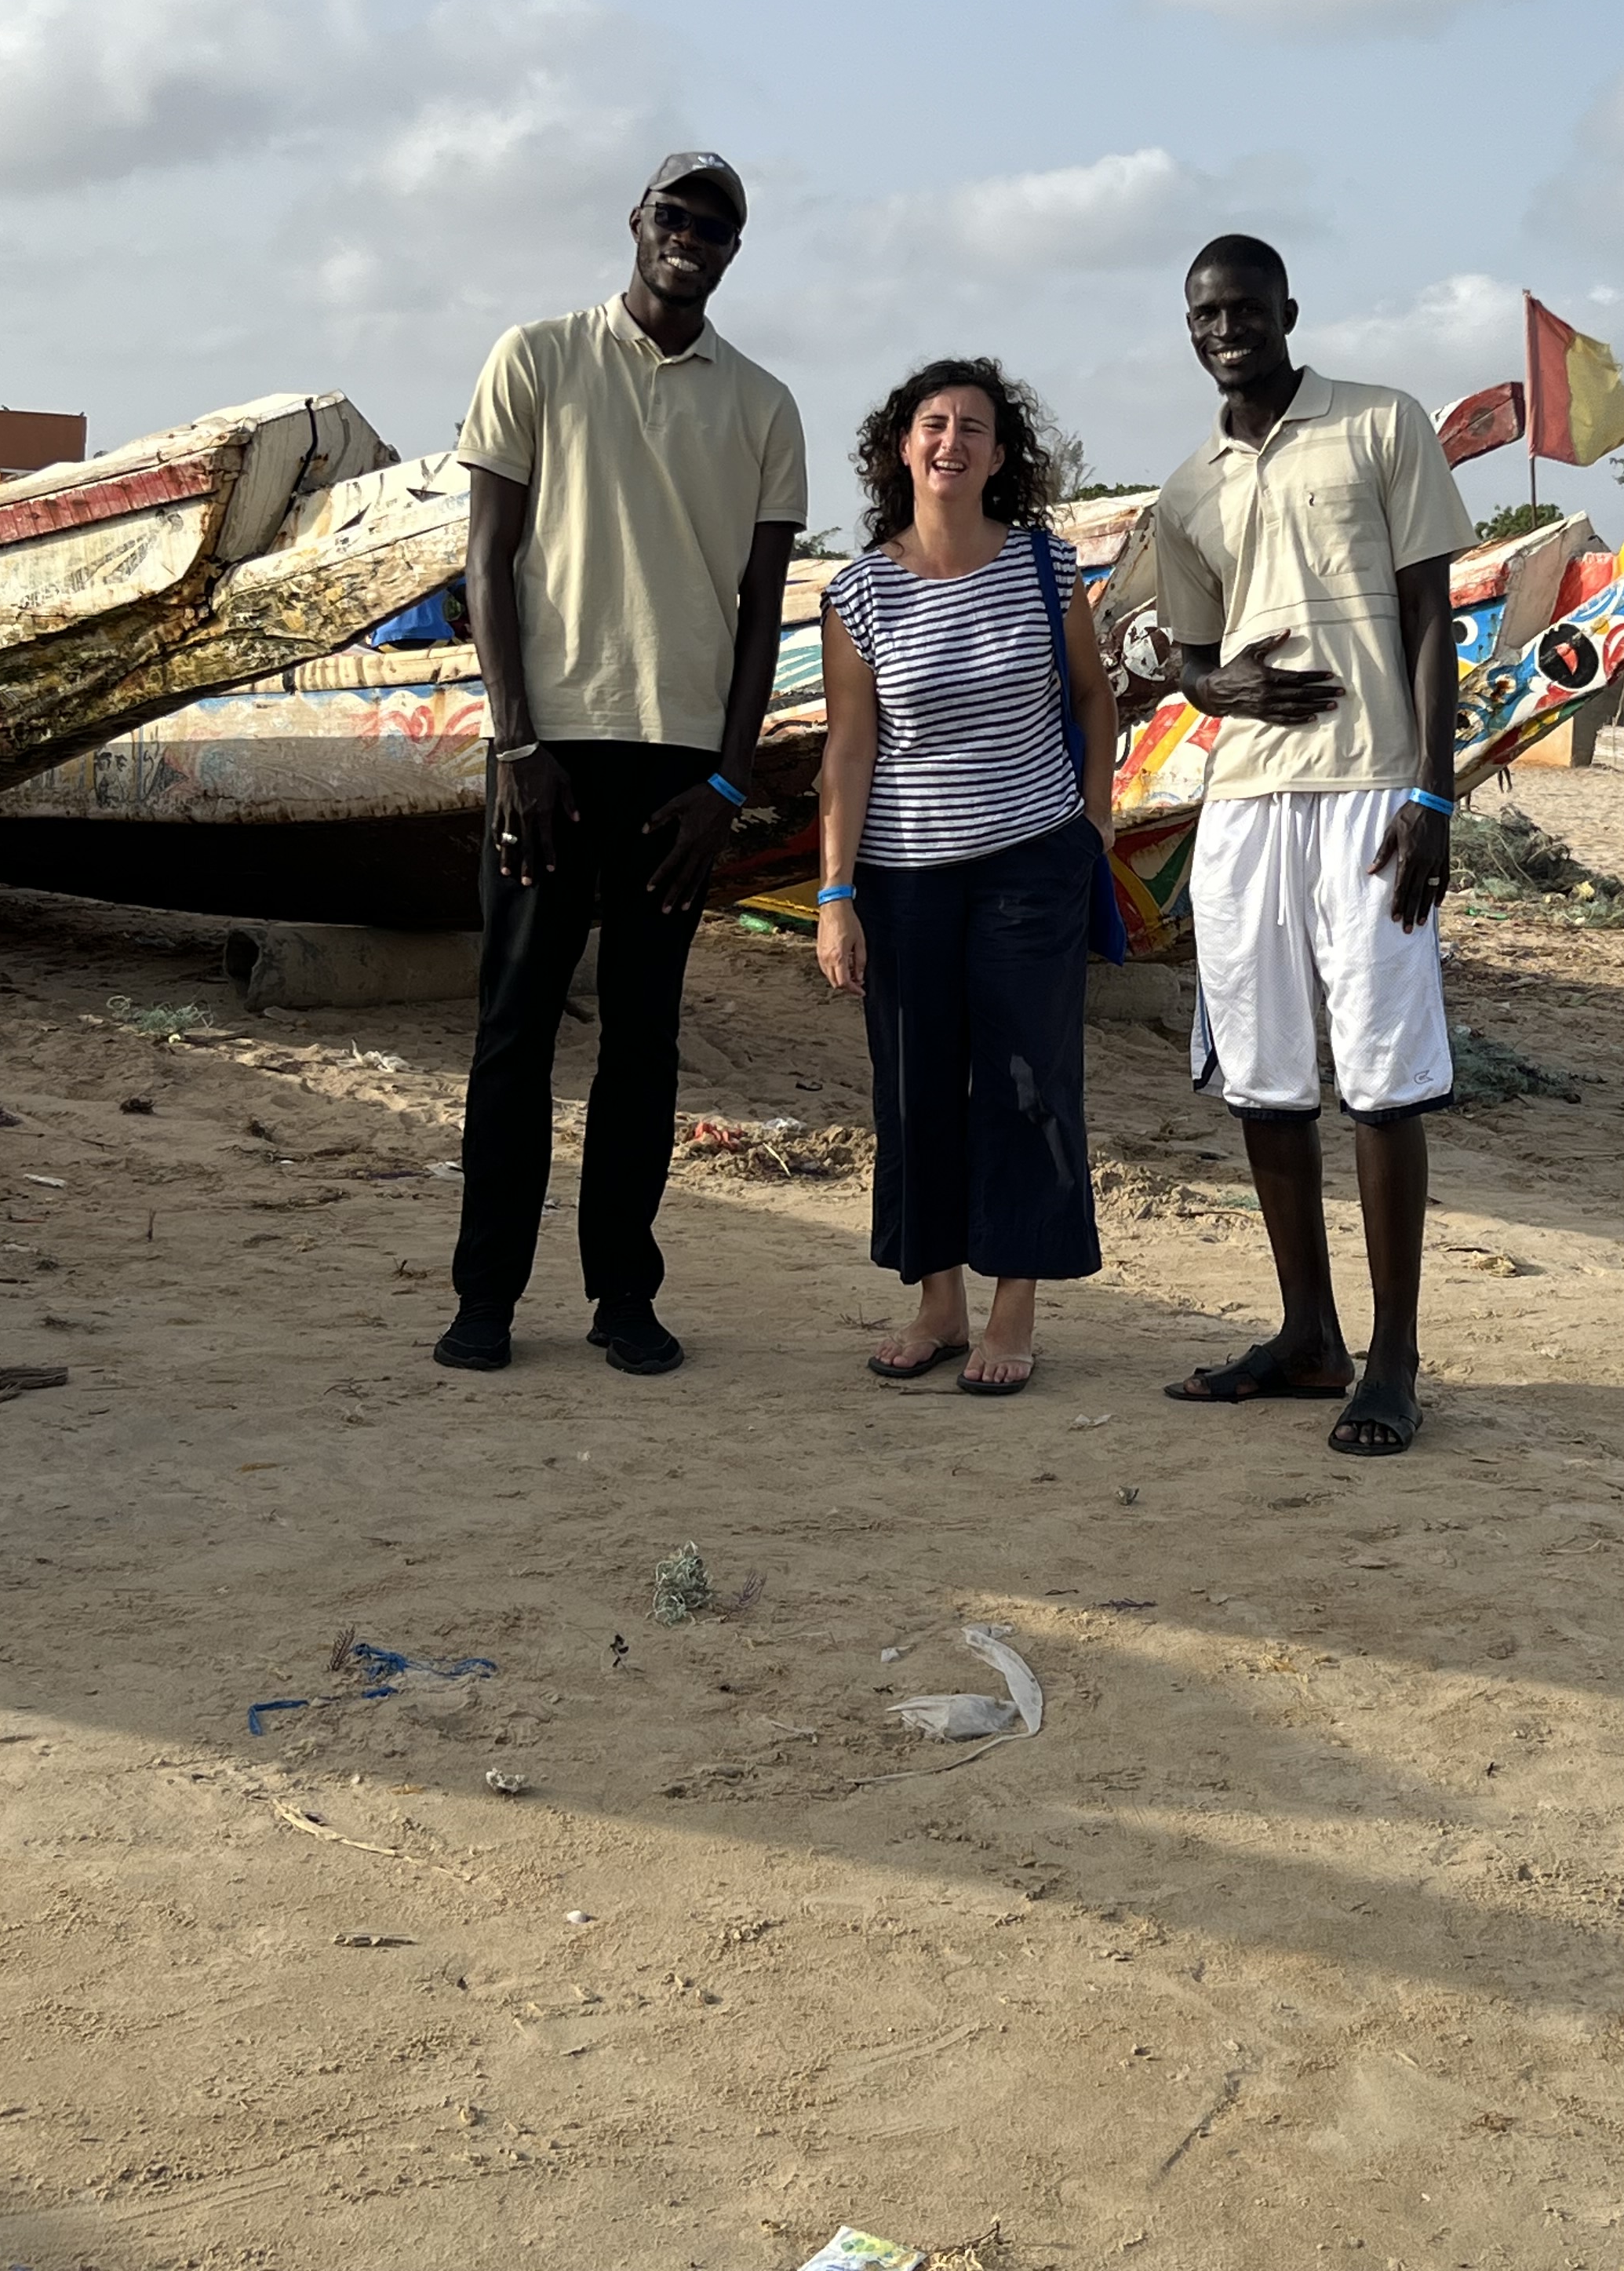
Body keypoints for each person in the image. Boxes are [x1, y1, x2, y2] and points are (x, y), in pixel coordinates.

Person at [432, 155, 806, 1376]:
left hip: (680, 772)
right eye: (673, 216)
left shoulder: (763, 405)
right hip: (544, 751)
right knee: (514, 1028)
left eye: (715, 227)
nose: (690, 237)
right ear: (638, 224)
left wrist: (728, 782)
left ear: (734, 252)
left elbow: (764, 612)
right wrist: (516, 744)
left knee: (643, 1040)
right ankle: (485, 1297)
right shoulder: (537, 358)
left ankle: (623, 1296)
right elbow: (487, 563)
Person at [1151, 235, 1467, 1460]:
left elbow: (1432, 615)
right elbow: (1188, 658)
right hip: (1244, 807)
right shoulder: (1188, 489)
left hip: (1374, 793)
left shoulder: (1382, 424)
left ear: (1288, 310)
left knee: (1382, 1074)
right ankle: (1307, 1337)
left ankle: (1393, 1358)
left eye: (1244, 308)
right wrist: (1211, 684)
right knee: (1265, 1076)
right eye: (1205, 314)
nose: (1225, 328)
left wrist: (1434, 796)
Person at [815, 360, 1115, 1394]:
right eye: (933, 424)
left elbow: (1094, 697)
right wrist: (835, 895)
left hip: (1033, 863)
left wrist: (1096, 825)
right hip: (903, 878)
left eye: (973, 427)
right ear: (901, 448)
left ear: (1000, 454)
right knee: (915, 1087)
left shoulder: (1045, 566)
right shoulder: (859, 591)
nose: (952, 442)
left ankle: (1012, 1310)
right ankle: (938, 1303)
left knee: (1029, 1082)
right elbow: (849, 748)